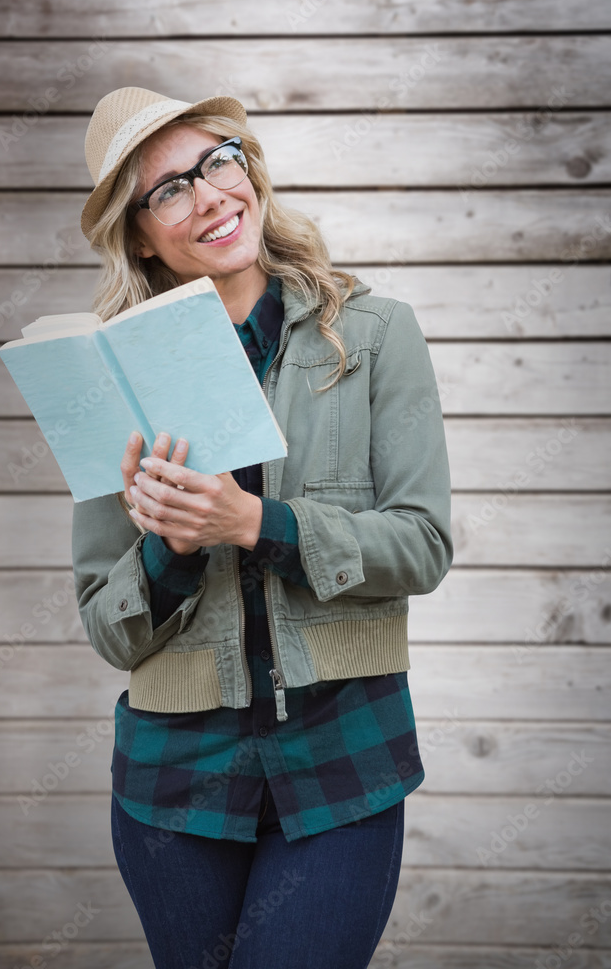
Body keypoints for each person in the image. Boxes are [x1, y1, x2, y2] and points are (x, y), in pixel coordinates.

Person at [71, 86, 453, 969]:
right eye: (168, 188)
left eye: (219, 163)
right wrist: (169, 550)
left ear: (249, 172)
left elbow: (422, 544)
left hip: (345, 760)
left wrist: (258, 522)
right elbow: (105, 624)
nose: (209, 196)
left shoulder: (375, 335)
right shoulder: (105, 379)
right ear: (137, 233)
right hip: (174, 784)